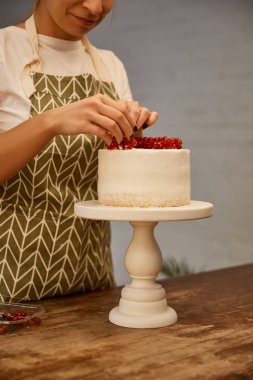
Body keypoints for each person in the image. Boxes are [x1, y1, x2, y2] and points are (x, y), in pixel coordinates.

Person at [0, 0, 158, 301]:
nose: (95, 7)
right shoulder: (4, 51)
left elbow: (119, 181)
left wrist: (133, 133)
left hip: (91, 284)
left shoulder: (110, 66)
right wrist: (50, 122)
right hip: (8, 289)